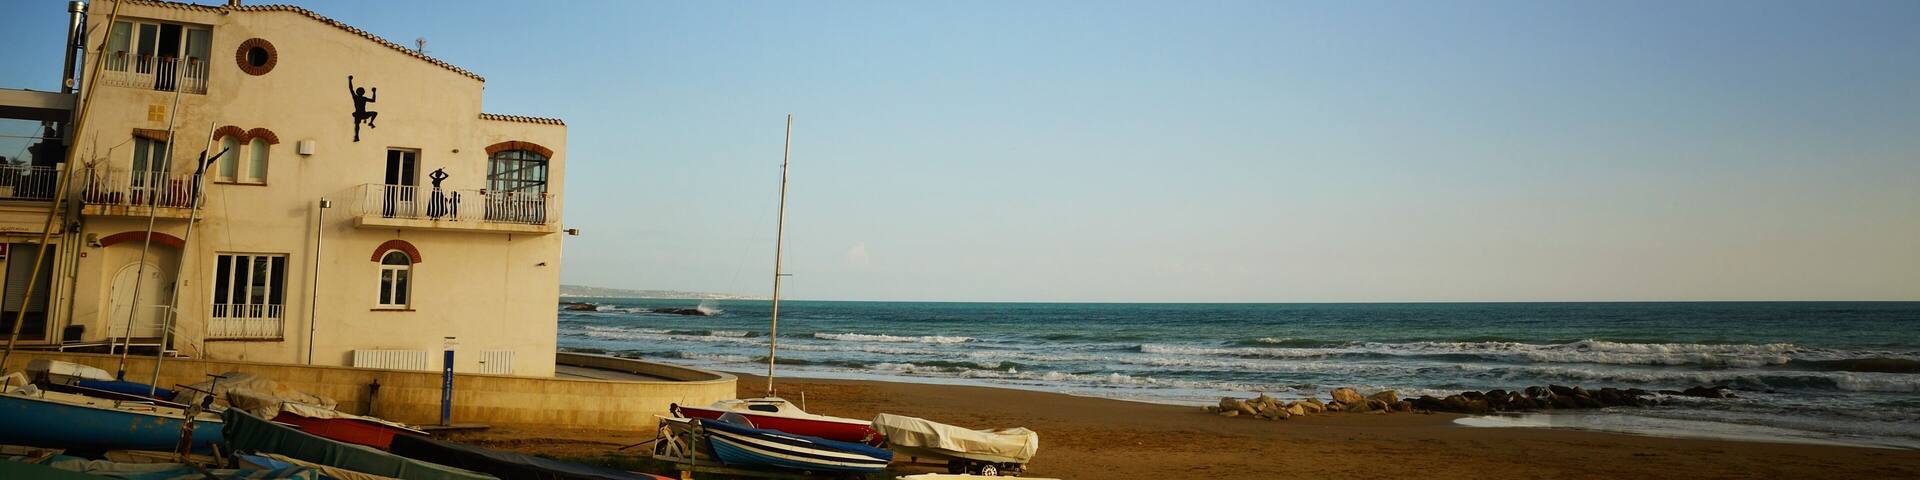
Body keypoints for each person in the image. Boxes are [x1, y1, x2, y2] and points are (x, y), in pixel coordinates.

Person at [349, 75, 378, 141]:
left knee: (375, 113)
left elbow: (373, 100)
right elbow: (351, 89)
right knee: (357, 125)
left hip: (362, 113)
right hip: (359, 114)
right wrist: (350, 80)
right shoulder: (356, 97)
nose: (361, 92)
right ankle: (356, 136)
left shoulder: (362, 98)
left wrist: (374, 92)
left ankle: (370, 123)